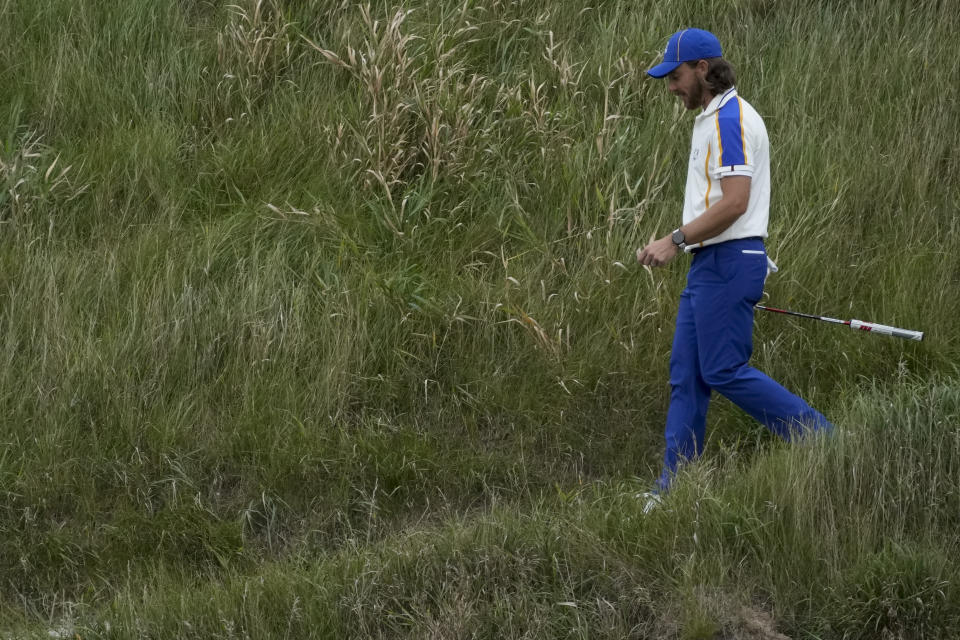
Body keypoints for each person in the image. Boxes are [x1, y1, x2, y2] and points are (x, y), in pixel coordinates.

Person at [636, 28, 833, 503]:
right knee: (688, 374)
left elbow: (736, 202)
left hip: (729, 259)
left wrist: (674, 241)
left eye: (677, 75)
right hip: (711, 262)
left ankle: (826, 444)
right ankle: (674, 489)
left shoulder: (730, 118)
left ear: (703, 69)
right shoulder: (709, 116)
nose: (671, 86)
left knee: (722, 369)